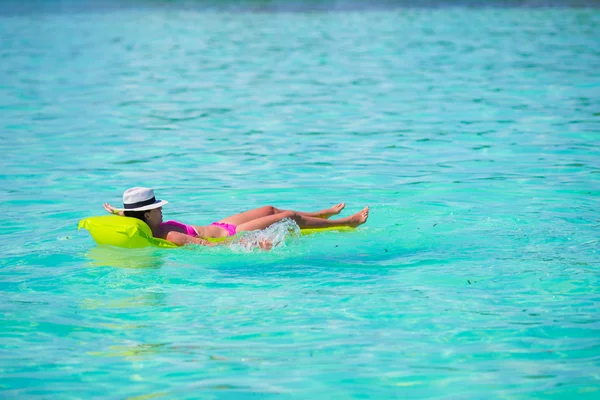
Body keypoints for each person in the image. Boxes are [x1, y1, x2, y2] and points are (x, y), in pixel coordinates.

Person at [103, 187, 369, 247]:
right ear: (147, 214)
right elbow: (206, 248)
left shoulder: (149, 221)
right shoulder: (168, 233)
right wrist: (251, 244)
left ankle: (320, 213)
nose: (162, 210)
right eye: (157, 208)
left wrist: (118, 211)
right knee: (287, 217)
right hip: (231, 234)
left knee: (269, 209)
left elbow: (130, 216)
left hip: (220, 225)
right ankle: (346, 222)